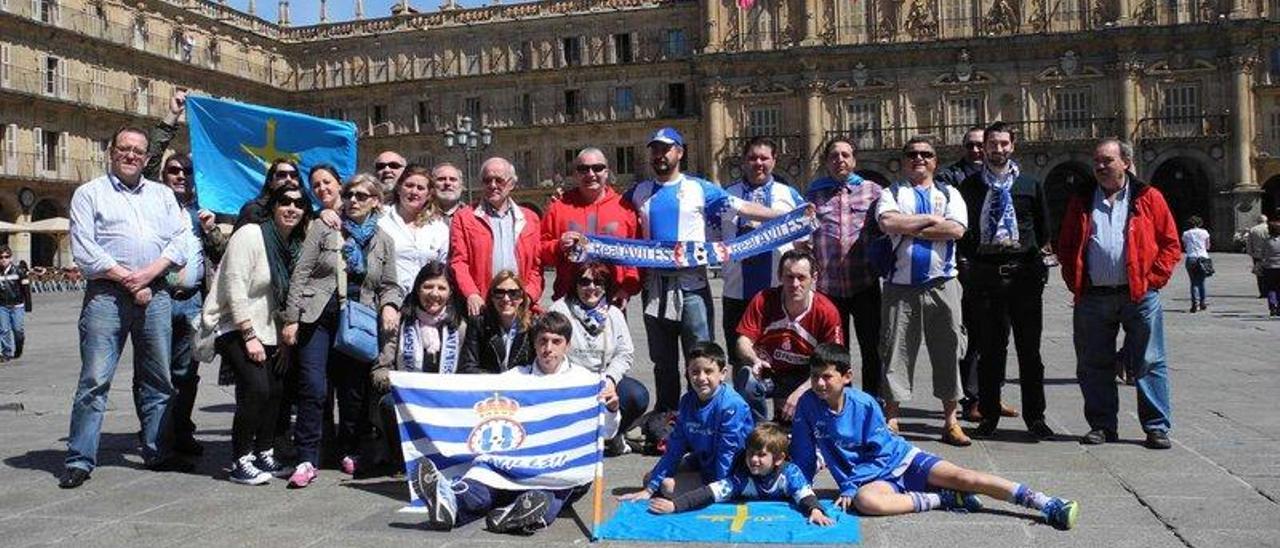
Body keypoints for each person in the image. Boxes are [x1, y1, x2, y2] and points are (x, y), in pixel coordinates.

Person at [791, 344, 1079, 530]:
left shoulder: (865, 404)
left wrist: (849, 485)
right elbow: (803, 455)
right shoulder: (807, 405)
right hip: (871, 482)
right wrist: (799, 491)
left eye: (827, 376)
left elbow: (880, 452)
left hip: (901, 461)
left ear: (847, 376)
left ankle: (1046, 503)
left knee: (967, 478)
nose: (819, 383)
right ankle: (943, 499)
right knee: (867, 503)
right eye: (815, 376)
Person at [62, 126, 192, 489]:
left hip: (157, 294)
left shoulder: (163, 195)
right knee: (94, 380)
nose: (131, 155)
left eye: (138, 150)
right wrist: (127, 279)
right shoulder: (89, 194)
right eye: (124, 148)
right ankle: (79, 458)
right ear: (111, 152)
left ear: (148, 158)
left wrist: (150, 273)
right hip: (106, 295)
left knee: (158, 379)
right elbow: (85, 248)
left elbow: (179, 240)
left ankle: (157, 450)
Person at [621, 127, 783, 412]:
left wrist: (786, 216)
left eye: (666, 149)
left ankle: (705, 412)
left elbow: (742, 207)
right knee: (662, 360)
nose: (659, 155)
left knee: (701, 356)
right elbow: (611, 212)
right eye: (655, 149)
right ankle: (668, 417)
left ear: (680, 152)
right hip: (655, 288)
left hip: (692, 286)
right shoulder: (639, 192)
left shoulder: (700, 188)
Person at [414, 311, 620, 534]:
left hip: (556, 469)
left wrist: (611, 409)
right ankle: (449, 503)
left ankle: (518, 514)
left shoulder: (587, 382)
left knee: (550, 492)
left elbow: (606, 433)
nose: (548, 348)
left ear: (566, 345)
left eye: (556, 342)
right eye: (543, 341)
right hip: (509, 464)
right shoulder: (513, 379)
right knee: (479, 487)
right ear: (534, 343)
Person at [1057, 138, 1181, 450]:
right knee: (1092, 362)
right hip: (1093, 295)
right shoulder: (1082, 199)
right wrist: (1076, 281)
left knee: (1150, 360)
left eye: (1107, 160)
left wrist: (1153, 280)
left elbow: (1170, 243)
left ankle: (1155, 426)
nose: (1100, 166)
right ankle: (1102, 425)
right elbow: (1067, 244)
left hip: (1139, 294)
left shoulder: (1148, 197)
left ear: (1125, 162)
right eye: (1097, 161)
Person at [281, 174, 403, 486]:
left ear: (375, 201)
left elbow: (389, 284)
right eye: (349, 194)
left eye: (362, 196)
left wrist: (390, 304)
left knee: (353, 392)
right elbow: (302, 272)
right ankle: (307, 456)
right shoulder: (326, 227)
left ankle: (351, 450)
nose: (353, 201)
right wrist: (292, 318)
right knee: (313, 388)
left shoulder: (383, 240)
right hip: (318, 316)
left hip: (358, 319)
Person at [199, 185, 311, 484]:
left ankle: (264, 452)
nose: (292, 208)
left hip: (271, 328)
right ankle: (241, 459)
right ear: (273, 206)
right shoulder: (250, 234)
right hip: (234, 324)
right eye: (284, 202)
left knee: (275, 392)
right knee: (257, 388)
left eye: (299, 204)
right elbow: (234, 286)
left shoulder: (294, 244)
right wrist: (248, 335)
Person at [956, 122, 1052, 440]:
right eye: (992, 144)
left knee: (1031, 351)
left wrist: (1035, 265)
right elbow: (963, 232)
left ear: (1013, 145)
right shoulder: (969, 188)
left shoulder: (1030, 185)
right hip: (985, 279)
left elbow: (1043, 229)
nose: (998, 150)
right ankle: (989, 415)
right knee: (989, 351)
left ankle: (1035, 417)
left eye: (1003, 144)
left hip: (1023, 276)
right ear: (983, 148)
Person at [876, 136, 971, 447]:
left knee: (948, 350)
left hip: (942, 284)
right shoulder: (891, 192)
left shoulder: (950, 193)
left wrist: (909, 226)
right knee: (895, 352)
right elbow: (887, 222)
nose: (919, 158)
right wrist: (932, 220)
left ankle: (950, 420)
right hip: (899, 287)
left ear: (935, 160)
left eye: (926, 154)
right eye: (912, 154)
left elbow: (955, 230)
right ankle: (892, 417)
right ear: (904, 161)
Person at [370, 261, 476, 473]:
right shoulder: (400, 322)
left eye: (441, 288)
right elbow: (379, 370)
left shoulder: (460, 327)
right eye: (428, 287)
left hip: (446, 400)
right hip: (409, 400)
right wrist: (401, 384)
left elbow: (467, 371)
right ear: (418, 288)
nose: (434, 294)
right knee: (388, 404)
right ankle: (401, 461)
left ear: (450, 292)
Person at [620, 342, 754, 501]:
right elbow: (675, 447)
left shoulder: (731, 405)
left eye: (709, 371)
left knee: (667, 487)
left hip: (732, 470)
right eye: (695, 372)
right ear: (688, 373)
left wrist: (719, 490)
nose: (701, 378)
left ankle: (730, 489)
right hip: (704, 460)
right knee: (650, 480)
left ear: (723, 373)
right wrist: (649, 490)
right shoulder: (687, 401)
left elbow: (728, 453)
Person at [803, 138, 884, 399]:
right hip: (829, 289)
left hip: (865, 284)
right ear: (827, 162)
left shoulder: (874, 191)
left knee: (873, 348)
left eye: (845, 155)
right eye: (834, 156)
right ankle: (840, 401)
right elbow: (803, 236)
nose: (840, 160)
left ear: (854, 160)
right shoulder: (814, 194)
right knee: (835, 351)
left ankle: (872, 401)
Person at [548, 262, 650, 455]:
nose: (591, 287)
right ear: (575, 284)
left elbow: (625, 352)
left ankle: (613, 434)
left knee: (637, 395)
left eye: (598, 282)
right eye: (584, 282)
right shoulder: (560, 310)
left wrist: (610, 380)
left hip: (604, 377)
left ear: (606, 286)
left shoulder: (614, 313)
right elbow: (551, 350)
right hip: (571, 378)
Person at [646, 422, 833, 526]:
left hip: (794, 465)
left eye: (761, 455)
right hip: (716, 462)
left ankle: (818, 455)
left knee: (813, 465)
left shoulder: (790, 473)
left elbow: (805, 494)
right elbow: (710, 492)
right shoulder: (742, 478)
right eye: (751, 454)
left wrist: (815, 510)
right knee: (667, 484)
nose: (754, 460)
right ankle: (691, 459)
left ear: (778, 459)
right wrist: (675, 506)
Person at [733, 249, 843, 424]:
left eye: (801, 277)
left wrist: (803, 390)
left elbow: (834, 361)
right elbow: (743, 341)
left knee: (834, 381)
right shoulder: (764, 299)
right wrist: (754, 360)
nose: (795, 284)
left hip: (808, 376)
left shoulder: (826, 311)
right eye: (789, 277)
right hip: (770, 372)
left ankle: (819, 429)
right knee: (748, 378)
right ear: (779, 276)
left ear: (814, 278)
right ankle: (760, 434)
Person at [720, 137, 805, 361]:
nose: (758, 163)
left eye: (764, 158)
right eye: (752, 158)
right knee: (740, 359)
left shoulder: (790, 195)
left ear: (774, 161)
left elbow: (803, 245)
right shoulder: (725, 196)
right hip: (736, 292)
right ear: (743, 161)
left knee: (779, 361)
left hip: (777, 294)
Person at [936, 126, 990, 423]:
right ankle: (971, 399)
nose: (976, 151)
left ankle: (990, 394)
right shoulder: (949, 178)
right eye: (970, 145)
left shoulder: (1002, 178)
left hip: (994, 263)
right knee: (966, 333)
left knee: (993, 335)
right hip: (964, 263)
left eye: (981, 145)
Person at [542, 148, 641, 303]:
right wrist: (558, 246)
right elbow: (540, 252)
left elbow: (637, 255)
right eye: (583, 169)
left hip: (612, 300)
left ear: (607, 172)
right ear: (575, 174)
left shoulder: (625, 208)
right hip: (568, 300)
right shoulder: (558, 208)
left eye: (597, 168)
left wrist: (627, 288)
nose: (591, 174)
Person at [450, 157, 543, 317]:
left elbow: (537, 266)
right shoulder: (464, 217)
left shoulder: (530, 218)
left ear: (512, 184)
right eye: (487, 180)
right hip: (482, 304)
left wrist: (528, 296)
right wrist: (471, 293)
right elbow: (459, 262)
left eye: (499, 180)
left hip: (520, 305)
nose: (493, 185)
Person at [379, 164, 450, 295]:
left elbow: (444, 266)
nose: (414, 192)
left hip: (426, 301)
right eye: (409, 185)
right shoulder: (381, 220)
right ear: (399, 188)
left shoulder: (439, 227)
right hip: (388, 299)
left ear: (428, 195)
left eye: (420, 188)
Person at [461, 270, 535, 373]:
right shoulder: (478, 324)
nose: (506, 299)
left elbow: (539, 365)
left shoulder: (533, 326)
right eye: (499, 293)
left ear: (521, 298)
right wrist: (499, 381)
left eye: (513, 293)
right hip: (488, 386)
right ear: (491, 297)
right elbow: (467, 366)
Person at [0, 246, 29, 363]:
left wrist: (28, 305)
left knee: (18, 330)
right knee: (4, 329)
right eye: (1, 257)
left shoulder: (19, 271)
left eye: (6, 257)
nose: (3, 260)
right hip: (2, 306)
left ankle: (19, 346)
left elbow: (26, 288)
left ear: (11, 258)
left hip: (17, 305)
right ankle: (6, 352)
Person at [1181, 215, 1211, 313]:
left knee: (1193, 282)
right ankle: (1203, 303)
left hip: (1191, 257)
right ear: (1200, 223)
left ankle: (1195, 304)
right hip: (1203, 257)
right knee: (1202, 282)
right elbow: (1208, 246)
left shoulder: (1186, 234)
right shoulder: (1205, 232)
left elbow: (1185, 246)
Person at [1253, 211, 1280, 316]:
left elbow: (1262, 255)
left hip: (1269, 267)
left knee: (1271, 288)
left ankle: (1272, 306)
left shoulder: (1266, 241)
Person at [1245, 215, 1270, 297]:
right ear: (1266, 220)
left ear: (1257, 221)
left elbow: (1249, 244)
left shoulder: (1253, 229)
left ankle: (1262, 292)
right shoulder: (1270, 228)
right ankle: (1270, 291)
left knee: (1259, 274)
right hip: (1269, 254)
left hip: (1257, 255)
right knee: (1269, 273)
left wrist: (1250, 253)